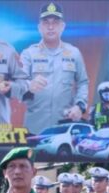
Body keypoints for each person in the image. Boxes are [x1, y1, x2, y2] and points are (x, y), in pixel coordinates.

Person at [20, 1, 89, 135]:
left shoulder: (74, 53)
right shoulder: (28, 54)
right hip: (34, 129)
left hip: (64, 127)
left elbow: (83, 82)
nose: (50, 27)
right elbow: (18, 85)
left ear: (62, 26)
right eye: (46, 22)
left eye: (55, 22)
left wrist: (80, 106)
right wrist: (29, 85)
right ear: (39, 27)